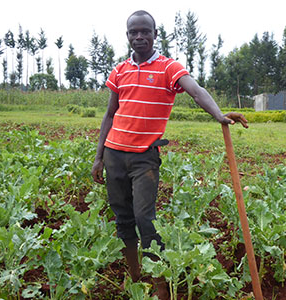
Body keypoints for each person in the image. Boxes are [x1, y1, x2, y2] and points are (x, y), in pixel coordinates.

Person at [91, 10, 248, 299]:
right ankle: (135, 277)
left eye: (145, 31)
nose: (139, 37)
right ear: (127, 36)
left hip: (144, 158)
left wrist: (218, 115)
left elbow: (196, 91)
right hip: (114, 153)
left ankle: (160, 282)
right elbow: (110, 114)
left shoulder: (168, 68)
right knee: (123, 218)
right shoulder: (120, 70)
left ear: (154, 34)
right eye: (133, 32)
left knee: (145, 219)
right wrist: (99, 157)